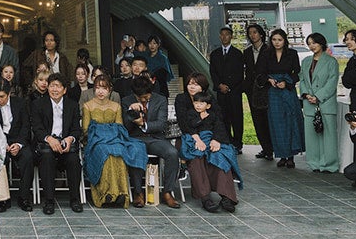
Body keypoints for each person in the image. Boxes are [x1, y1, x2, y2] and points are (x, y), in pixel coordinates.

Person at [81, 75, 148, 208]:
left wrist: (109, 133)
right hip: (96, 140)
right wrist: (102, 133)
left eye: (104, 88)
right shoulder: (88, 106)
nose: (100, 91)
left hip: (114, 139)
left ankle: (121, 193)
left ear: (109, 89)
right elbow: (86, 129)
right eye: (97, 88)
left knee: (120, 152)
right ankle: (106, 193)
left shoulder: (116, 106)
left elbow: (119, 126)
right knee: (105, 152)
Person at [123, 76, 182, 209]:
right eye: (141, 98)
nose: (144, 100)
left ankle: (167, 192)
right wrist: (131, 112)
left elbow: (161, 124)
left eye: (147, 97)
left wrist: (143, 124)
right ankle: (138, 192)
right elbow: (125, 127)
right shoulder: (126, 101)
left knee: (172, 153)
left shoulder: (160, 99)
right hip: (135, 139)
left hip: (155, 138)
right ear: (135, 95)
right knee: (135, 151)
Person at [31, 74, 84, 214]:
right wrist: (49, 139)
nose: (55, 89)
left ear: (64, 90)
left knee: (74, 160)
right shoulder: (38, 104)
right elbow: (37, 128)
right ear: (47, 88)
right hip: (46, 145)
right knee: (47, 158)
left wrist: (70, 139)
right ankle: (49, 201)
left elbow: (76, 129)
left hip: (66, 146)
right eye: (52, 86)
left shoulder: (72, 105)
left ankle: (75, 199)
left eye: (58, 86)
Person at [181, 92, 241, 213]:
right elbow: (189, 127)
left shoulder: (213, 115)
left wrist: (216, 140)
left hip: (211, 140)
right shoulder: (191, 114)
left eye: (201, 103)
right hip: (194, 140)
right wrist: (198, 133)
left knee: (220, 158)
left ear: (208, 105)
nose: (198, 105)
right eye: (196, 103)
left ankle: (226, 197)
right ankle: (205, 198)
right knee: (196, 159)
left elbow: (219, 128)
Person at [0, 80, 34, 212]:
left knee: (28, 157)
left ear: (8, 94)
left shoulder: (20, 103)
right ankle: (1, 198)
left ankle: (24, 197)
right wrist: (2, 144)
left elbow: (26, 126)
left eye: (2, 96)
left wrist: (18, 144)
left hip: (17, 140)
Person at [299, 33, 341, 172]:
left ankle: (329, 164)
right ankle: (314, 163)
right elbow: (302, 80)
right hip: (309, 103)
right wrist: (306, 94)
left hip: (325, 103)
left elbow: (332, 82)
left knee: (328, 136)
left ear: (321, 43)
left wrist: (318, 96)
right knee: (311, 136)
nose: (312, 46)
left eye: (314, 43)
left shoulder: (331, 61)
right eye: (309, 43)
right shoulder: (306, 61)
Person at [264, 28, 304, 168]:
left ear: (284, 40)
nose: (277, 42)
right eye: (274, 40)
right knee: (276, 123)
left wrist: (286, 83)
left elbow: (297, 72)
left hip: (288, 90)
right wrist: (269, 80)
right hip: (273, 92)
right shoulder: (266, 54)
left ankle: (291, 156)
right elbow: (261, 72)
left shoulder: (292, 53)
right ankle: (281, 155)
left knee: (290, 121)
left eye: (280, 40)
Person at [208, 26, 246, 152]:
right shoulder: (215, 54)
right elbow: (213, 72)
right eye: (222, 35)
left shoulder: (237, 54)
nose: (224, 37)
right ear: (220, 37)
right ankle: (227, 141)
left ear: (231, 37)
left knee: (237, 117)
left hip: (234, 91)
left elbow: (239, 73)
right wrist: (220, 85)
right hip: (221, 92)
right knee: (223, 117)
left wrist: (229, 86)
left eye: (227, 34)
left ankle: (238, 143)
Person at [243, 24, 273, 160]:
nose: (252, 35)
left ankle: (272, 147)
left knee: (268, 119)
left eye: (255, 32)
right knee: (257, 119)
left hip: (266, 88)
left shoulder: (269, 50)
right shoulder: (247, 52)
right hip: (252, 90)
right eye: (250, 33)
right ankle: (265, 148)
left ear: (261, 34)